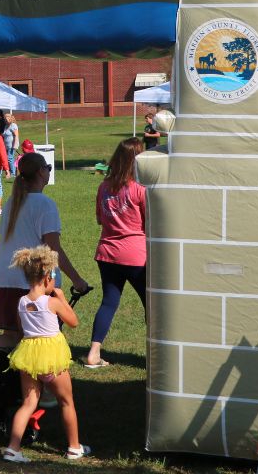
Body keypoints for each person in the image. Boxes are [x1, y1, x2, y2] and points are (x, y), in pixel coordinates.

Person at [1, 245, 90, 463]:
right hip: (52, 358)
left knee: (29, 403)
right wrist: (61, 297)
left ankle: (13, 448)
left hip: (29, 357)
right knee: (66, 401)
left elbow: (23, 331)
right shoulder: (52, 302)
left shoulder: (22, 302)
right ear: (48, 276)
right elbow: (74, 322)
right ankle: (74, 447)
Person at [0, 152, 88, 348]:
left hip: (6, 278)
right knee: (41, 339)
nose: (49, 171)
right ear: (40, 172)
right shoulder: (45, 204)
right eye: (48, 168)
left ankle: (0, 376)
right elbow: (53, 249)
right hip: (32, 280)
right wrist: (77, 279)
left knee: (10, 334)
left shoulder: (12, 202)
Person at [83, 138, 148, 368]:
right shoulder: (140, 189)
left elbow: (100, 219)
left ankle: (93, 353)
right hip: (136, 256)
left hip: (107, 253)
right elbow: (150, 222)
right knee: (151, 305)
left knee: (109, 302)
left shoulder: (104, 187)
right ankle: (159, 355)